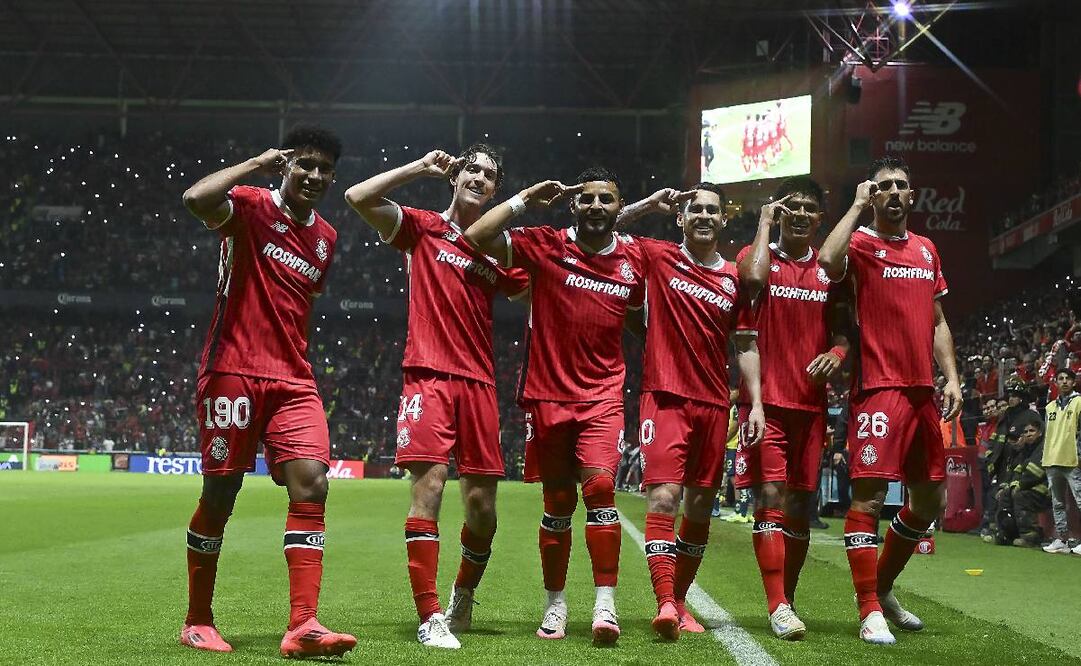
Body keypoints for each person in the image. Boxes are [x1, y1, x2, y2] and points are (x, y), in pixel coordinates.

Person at [178, 125, 357, 657]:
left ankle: (304, 625)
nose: (315, 176)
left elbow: (302, 300)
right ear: (286, 167)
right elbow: (195, 198)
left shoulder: (326, 237)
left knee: (313, 485)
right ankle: (196, 620)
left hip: (294, 379)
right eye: (305, 164)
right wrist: (256, 163)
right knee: (221, 494)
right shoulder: (250, 206)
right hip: (232, 368)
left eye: (324, 169)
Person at [343, 144, 529, 649]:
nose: (479, 177)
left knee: (482, 507)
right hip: (427, 375)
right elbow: (357, 196)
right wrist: (419, 167)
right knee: (429, 488)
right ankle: (429, 616)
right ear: (455, 177)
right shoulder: (422, 227)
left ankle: (462, 593)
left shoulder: (501, 248)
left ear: (497, 190)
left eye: (490, 175)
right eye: (471, 168)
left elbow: (545, 285)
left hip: (479, 384)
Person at [463, 168, 639, 645]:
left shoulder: (635, 259)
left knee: (601, 488)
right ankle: (555, 604)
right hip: (546, 397)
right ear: (573, 205)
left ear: (619, 207)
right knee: (559, 504)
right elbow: (476, 235)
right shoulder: (546, 243)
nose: (596, 206)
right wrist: (523, 198)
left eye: (607, 199)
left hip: (603, 396)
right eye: (587, 199)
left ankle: (605, 604)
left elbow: (644, 319)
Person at [818, 155, 962, 645]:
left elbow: (938, 321)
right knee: (870, 497)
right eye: (885, 187)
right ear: (874, 195)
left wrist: (953, 379)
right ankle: (868, 611)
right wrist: (857, 205)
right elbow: (825, 260)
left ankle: (881, 587)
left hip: (924, 391)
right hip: (879, 387)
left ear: (912, 195)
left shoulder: (926, 249)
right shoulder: (860, 244)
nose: (895, 193)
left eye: (902, 186)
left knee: (930, 499)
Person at [615, 184, 765, 640]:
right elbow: (600, 231)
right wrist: (644, 205)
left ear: (723, 221)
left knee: (700, 508)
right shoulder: (657, 255)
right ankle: (664, 602)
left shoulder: (734, 280)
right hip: (663, 398)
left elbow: (745, 343)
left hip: (715, 403)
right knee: (663, 499)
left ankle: (679, 602)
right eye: (693, 209)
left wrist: (755, 402)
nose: (702, 216)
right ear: (680, 219)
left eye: (711, 211)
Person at [735, 176, 848, 640]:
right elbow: (753, 279)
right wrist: (763, 221)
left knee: (801, 505)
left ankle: (789, 597)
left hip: (811, 407)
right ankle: (777, 604)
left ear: (820, 218)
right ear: (780, 212)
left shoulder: (830, 272)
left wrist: (839, 355)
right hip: (766, 406)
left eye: (809, 208)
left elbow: (844, 334)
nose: (800, 214)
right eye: (791, 207)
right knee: (771, 499)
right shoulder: (756, 255)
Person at [1041, 369, 1081, 554]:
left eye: (1068, 379)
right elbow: (1048, 435)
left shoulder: (1079, 401)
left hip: (1073, 459)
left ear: (1074, 382)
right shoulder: (1050, 407)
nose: (1064, 382)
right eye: (1061, 379)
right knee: (1057, 503)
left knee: (1080, 500)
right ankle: (1062, 540)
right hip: (1052, 459)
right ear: (1056, 382)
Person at [993, 417, 1049, 546]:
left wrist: (1019, 485)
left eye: (1032, 431)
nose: (1028, 434)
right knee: (1005, 495)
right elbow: (1016, 471)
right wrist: (1008, 486)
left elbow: (1035, 473)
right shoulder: (1025, 450)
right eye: (1026, 431)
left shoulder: (1043, 447)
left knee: (1021, 496)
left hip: (1042, 489)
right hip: (1025, 486)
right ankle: (1005, 533)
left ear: (1040, 432)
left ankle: (1030, 536)